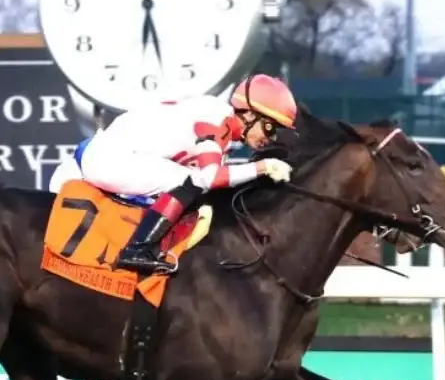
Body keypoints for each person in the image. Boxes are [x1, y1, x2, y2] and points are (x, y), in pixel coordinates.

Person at [71, 73, 299, 276]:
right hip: (108, 158)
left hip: (113, 156)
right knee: (192, 181)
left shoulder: (221, 125)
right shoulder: (214, 117)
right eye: (269, 127)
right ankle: (137, 249)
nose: (271, 138)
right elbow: (209, 177)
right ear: (248, 113)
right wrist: (262, 167)